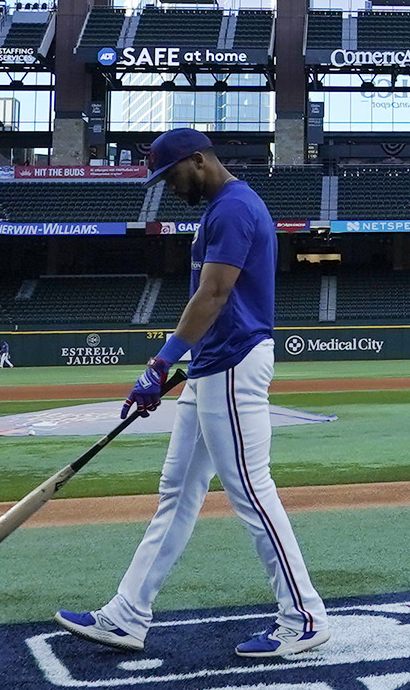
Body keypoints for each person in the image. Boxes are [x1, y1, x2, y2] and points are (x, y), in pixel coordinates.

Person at [57, 128, 331, 659]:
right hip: (212, 366)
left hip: (232, 363)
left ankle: (303, 617)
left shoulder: (233, 208)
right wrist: (180, 367)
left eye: (171, 174)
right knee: (178, 492)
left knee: (251, 492)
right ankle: (127, 615)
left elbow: (215, 292)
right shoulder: (221, 208)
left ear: (198, 161)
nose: (168, 186)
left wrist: (161, 362)